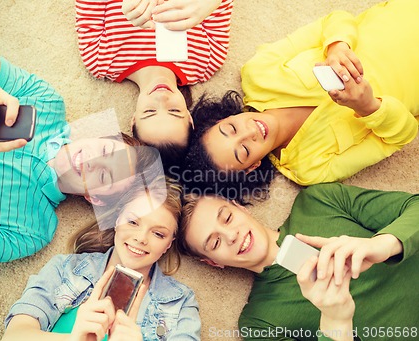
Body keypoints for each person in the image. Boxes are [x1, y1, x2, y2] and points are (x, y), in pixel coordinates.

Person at [0, 30, 158, 272]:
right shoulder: (45, 102)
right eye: (105, 150)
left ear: (93, 198)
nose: (93, 161)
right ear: (98, 137)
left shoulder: (32, 229)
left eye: (104, 176)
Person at [185, 0, 419, 200]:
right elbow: (402, 136)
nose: (249, 132)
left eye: (232, 128)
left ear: (225, 117)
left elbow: (335, 19)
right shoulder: (311, 169)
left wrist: (337, 47)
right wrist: (367, 106)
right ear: (252, 167)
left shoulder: (259, 73)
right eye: (244, 150)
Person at [177, 182, 419, 340]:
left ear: (240, 207)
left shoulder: (316, 201)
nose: (231, 236)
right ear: (213, 263)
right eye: (215, 243)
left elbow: (414, 205)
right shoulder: (259, 324)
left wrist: (382, 245)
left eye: (227, 218)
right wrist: (336, 319)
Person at [3, 176, 200, 340]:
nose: (141, 238)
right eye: (132, 221)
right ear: (117, 219)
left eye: (158, 234)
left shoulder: (180, 302)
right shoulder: (65, 268)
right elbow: (14, 335)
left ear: (169, 244)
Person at [75, 0, 233, 166]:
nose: (161, 98)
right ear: (189, 117)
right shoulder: (207, 61)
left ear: (134, 119)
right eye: (174, 110)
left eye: (150, 111)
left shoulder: (100, 60)